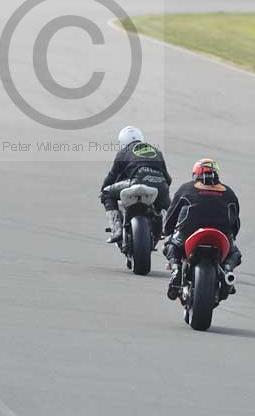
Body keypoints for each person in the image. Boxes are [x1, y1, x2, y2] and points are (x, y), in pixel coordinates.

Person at [164, 158, 241, 300]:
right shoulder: (228, 192)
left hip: (189, 233)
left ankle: (176, 270)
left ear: (195, 174)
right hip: (220, 234)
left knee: (171, 245)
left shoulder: (186, 188)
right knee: (235, 253)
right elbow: (235, 223)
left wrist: (167, 231)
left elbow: (171, 216)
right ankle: (228, 270)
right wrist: (231, 237)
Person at [100, 126, 172, 244]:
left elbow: (112, 176)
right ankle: (169, 230)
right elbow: (168, 179)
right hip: (160, 185)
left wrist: (103, 189)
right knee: (169, 208)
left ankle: (116, 229)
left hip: (136, 181)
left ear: (123, 141)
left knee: (106, 194)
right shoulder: (156, 151)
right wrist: (162, 188)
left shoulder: (123, 153)